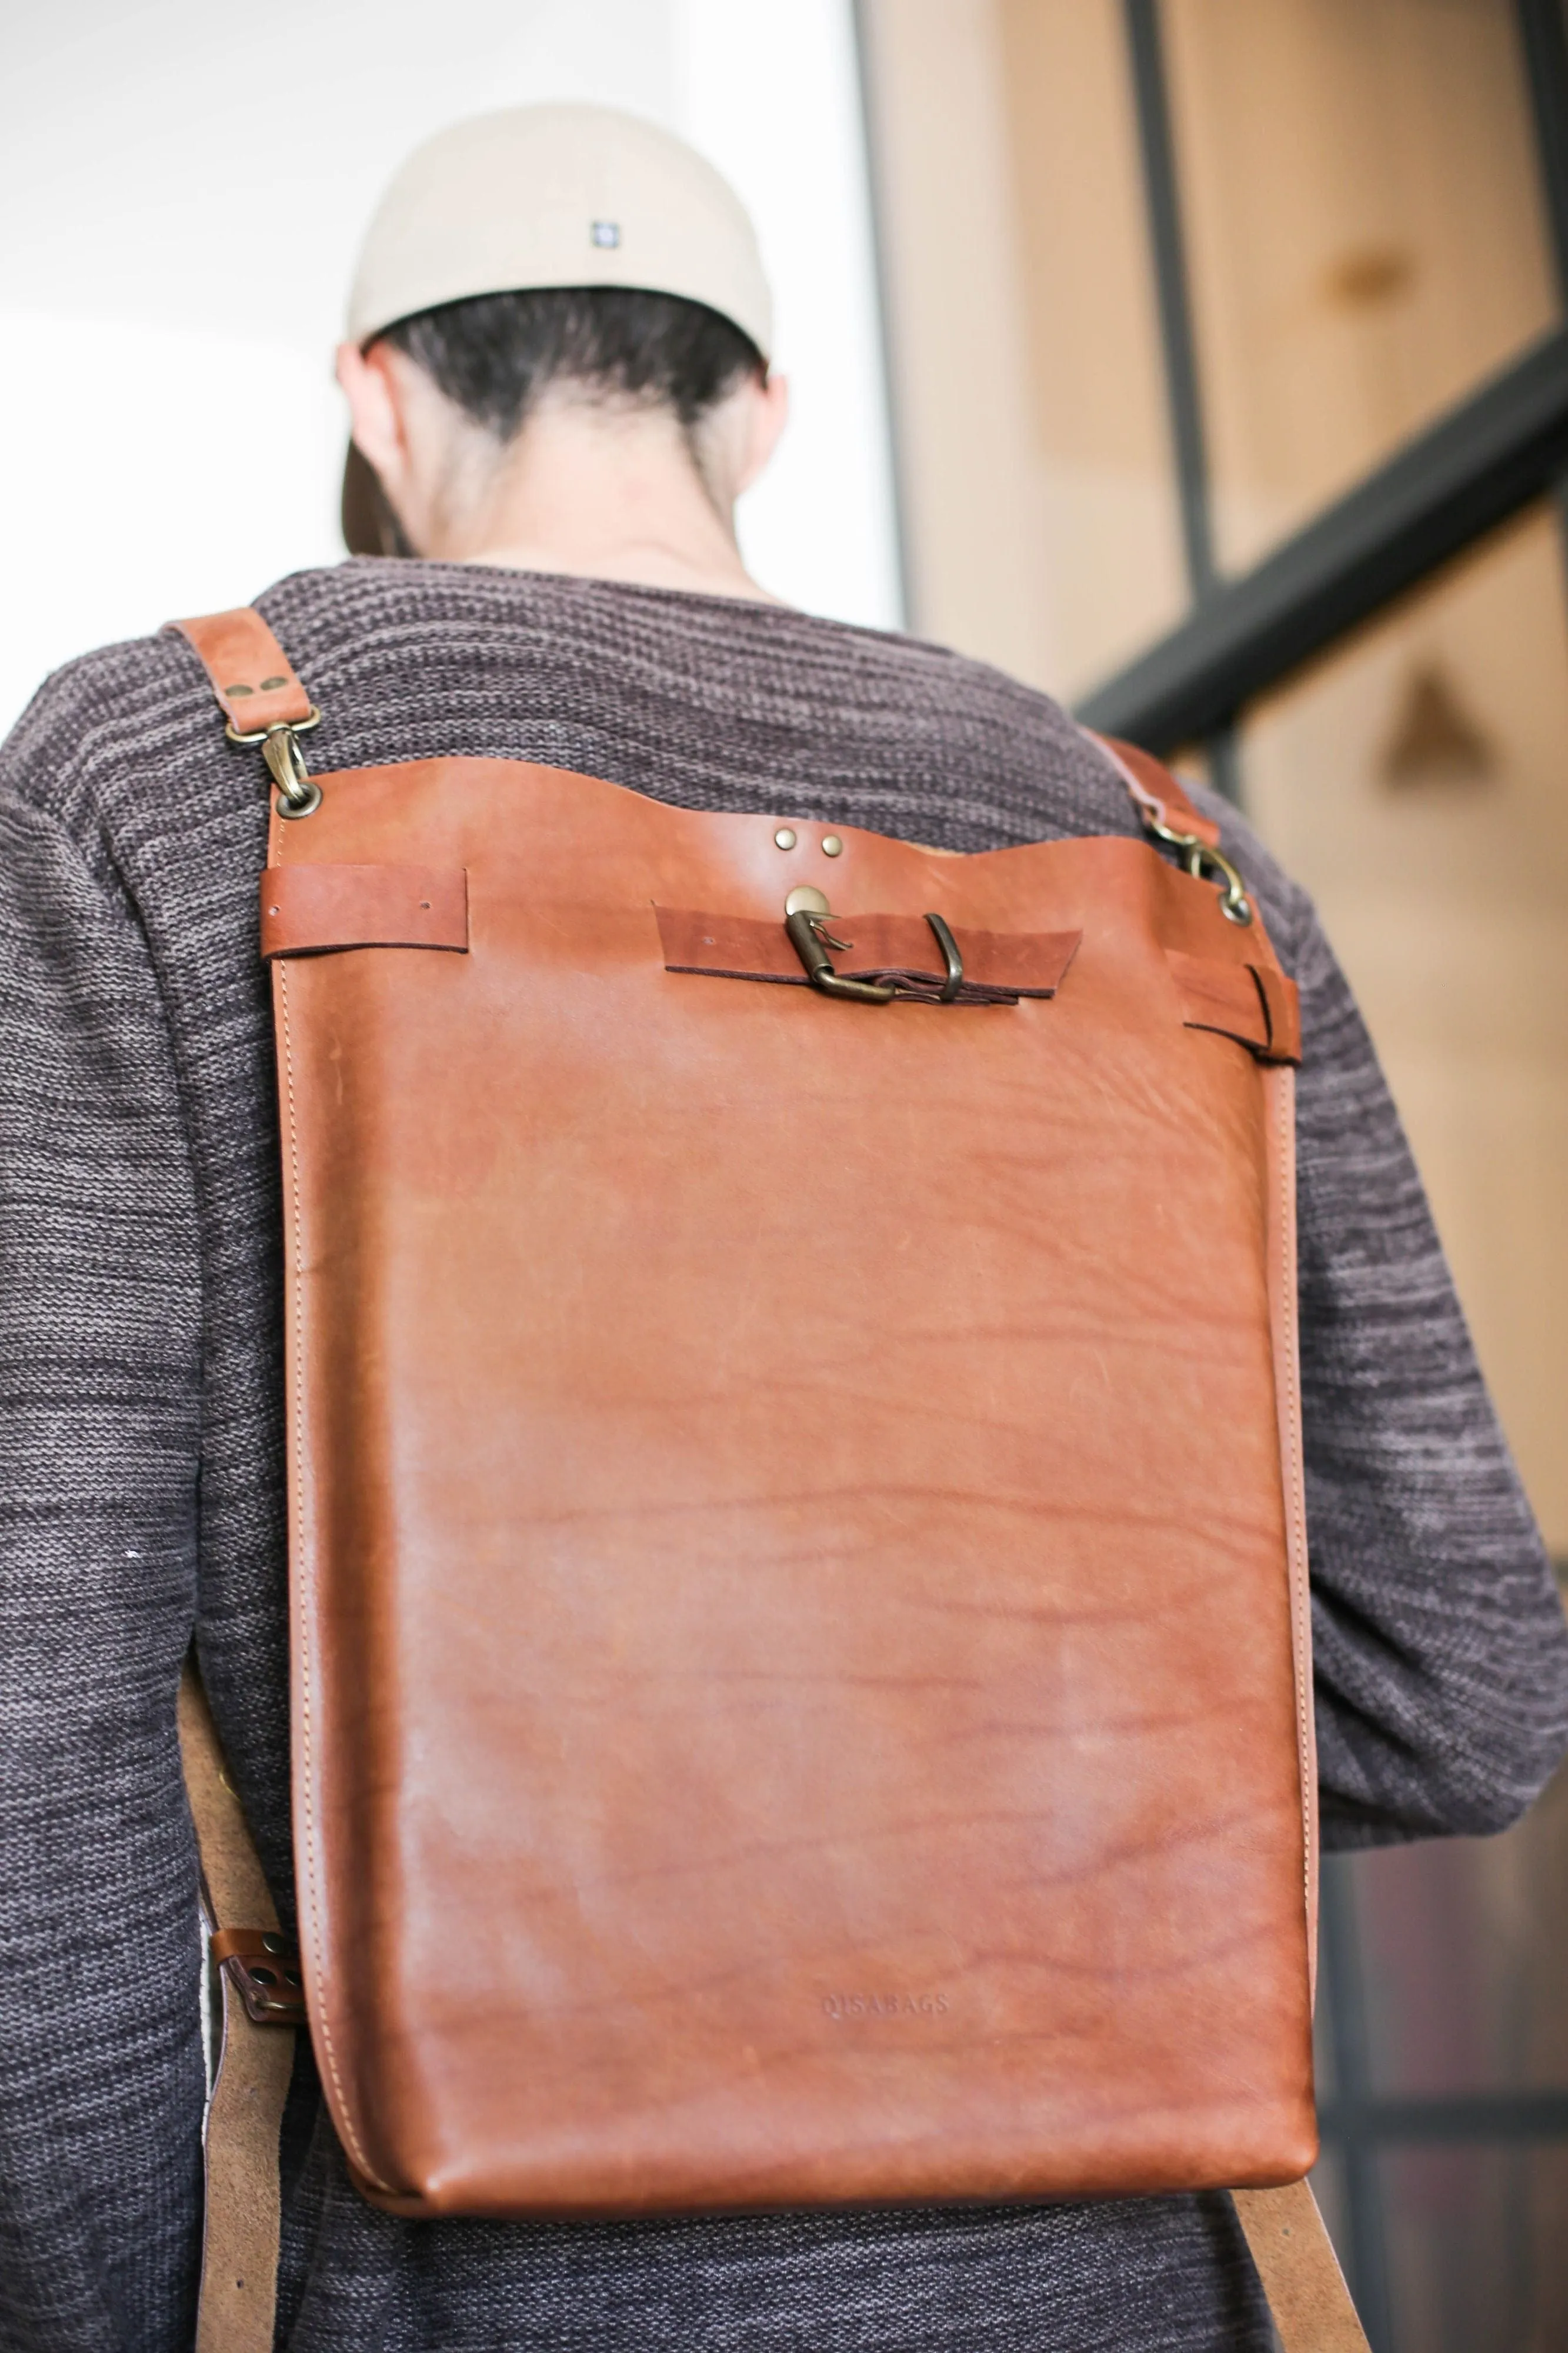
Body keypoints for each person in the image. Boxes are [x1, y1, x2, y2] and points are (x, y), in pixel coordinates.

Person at [1, 101, 1564, 2353]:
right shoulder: (1174, 852)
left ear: (377, 394)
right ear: (759, 409)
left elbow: (36, 1750)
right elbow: (1470, 1695)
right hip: (1131, 2295)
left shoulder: (159, 772)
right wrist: (959, 1745)